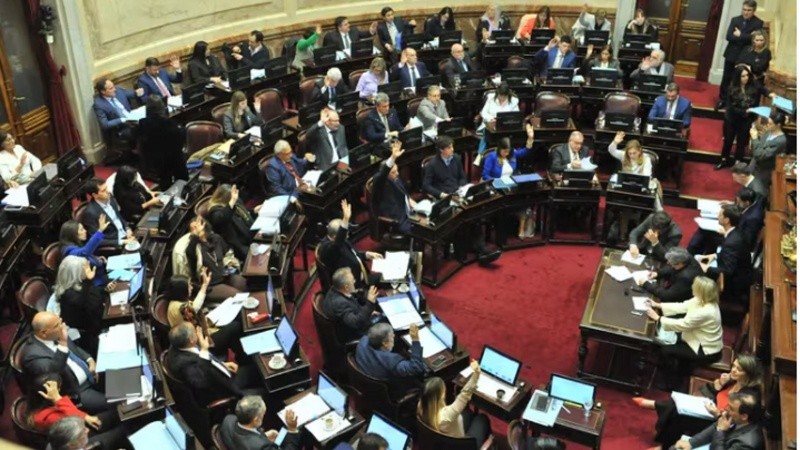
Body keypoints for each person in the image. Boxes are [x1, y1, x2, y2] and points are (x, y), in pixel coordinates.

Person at [634, 354, 763, 448]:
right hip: (709, 407)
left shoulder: (748, 396)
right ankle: (663, 435)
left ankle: (663, 441)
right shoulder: (732, 379)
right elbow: (708, 390)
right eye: (734, 366)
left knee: (679, 416)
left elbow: (729, 419)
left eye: (739, 369)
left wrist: (717, 414)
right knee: (678, 406)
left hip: (712, 417)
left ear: (748, 374)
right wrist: (719, 384)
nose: (733, 370)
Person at [23, 312, 109, 414]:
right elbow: (53, 374)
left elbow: (75, 349)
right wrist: (63, 344)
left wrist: (90, 360)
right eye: (57, 325)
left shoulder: (54, 333)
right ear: (44, 333)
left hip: (93, 375)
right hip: (77, 392)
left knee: (128, 383)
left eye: (60, 321)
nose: (63, 326)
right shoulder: (33, 356)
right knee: (120, 403)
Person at [646, 276, 723, 389]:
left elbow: (684, 325)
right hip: (696, 339)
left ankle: (672, 383)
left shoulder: (707, 311)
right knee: (666, 338)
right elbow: (682, 306)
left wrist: (658, 318)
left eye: (694, 286)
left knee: (666, 351)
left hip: (705, 350)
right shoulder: (701, 299)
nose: (692, 287)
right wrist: (658, 305)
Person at [166, 322, 262, 406]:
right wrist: (204, 349)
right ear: (191, 340)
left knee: (259, 370)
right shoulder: (183, 365)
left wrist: (222, 364)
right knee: (267, 393)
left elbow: (201, 358)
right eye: (195, 331)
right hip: (221, 387)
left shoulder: (178, 343)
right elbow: (203, 382)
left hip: (222, 373)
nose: (197, 331)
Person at [28, 373, 126, 449]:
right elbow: (74, 420)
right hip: (77, 438)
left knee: (119, 413)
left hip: (80, 425)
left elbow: (76, 416)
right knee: (121, 431)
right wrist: (57, 398)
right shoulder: (46, 418)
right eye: (57, 390)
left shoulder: (48, 404)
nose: (59, 392)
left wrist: (58, 399)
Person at [165, 273, 246, 363]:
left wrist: (205, 285)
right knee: (236, 326)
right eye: (188, 286)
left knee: (234, 323)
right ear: (181, 290)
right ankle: (244, 359)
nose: (191, 288)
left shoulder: (175, 303)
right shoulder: (181, 308)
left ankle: (241, 357)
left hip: (199, 333)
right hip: (200, 342)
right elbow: (195, 307)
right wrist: (204, 285)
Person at [418, 360, 491, 447]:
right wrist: (476, 374)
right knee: (482, 419)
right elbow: (465, 394)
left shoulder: (420, 407)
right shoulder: (447, 415)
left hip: (441, 443)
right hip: (461, 446)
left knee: (467, 412)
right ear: (441, 396)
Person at [716, 65, 772, 170]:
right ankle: (723, 159)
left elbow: (762, 89)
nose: (746, 78)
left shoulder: (753, 84)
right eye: (743, 76)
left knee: (741, 142)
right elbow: (731, 108)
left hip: (746, 120)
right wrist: (746, 110)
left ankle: (737, 162)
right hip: (732, 119)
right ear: (738, 77)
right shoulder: (732, 88)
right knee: (728, 140)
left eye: (747, 75)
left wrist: (771, 95)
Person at [697, 204, 754, 307]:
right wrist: (715, 255)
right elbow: (733, 255)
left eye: (720, 215)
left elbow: (728, 270)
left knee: (695, 273)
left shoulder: (731, 242)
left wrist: (707, 268)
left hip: (733, 285)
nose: (718, 216)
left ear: (727, 220)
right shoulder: (736, 233)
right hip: (739, 273)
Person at [318, 200, 383, 289]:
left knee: (391, 278)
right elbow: (338, 244)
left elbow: (353, 253)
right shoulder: (328, 250)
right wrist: (345, 220)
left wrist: (367, 254)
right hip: (354, 287)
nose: (347, 235)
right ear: (334, 236)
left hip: (364, 278)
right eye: (345, 233)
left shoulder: (340, 241)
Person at [185, 215, 248, 303]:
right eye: (193, 229)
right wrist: (196, 235)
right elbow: (189, 252)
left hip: (225, 276)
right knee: (239, 297)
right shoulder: (194, 247)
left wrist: (230, 265)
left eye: (197, 226)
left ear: (204, 225)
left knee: (245, 284)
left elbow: (228, 254)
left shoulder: (216, 238)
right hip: (210, 285)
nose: (196, 229)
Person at [670, 391, 763, 450]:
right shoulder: (737, 419)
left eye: (731, 408)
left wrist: (720, 431)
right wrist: (691, 443)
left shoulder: (747, 444)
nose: (725, 409)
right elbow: (717, 425)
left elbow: (719, 428)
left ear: (744, 416)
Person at [355, 322, 427, 398]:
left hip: (364, 379)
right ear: (384, 343)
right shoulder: (391, 361)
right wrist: (415, 340)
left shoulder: (363, 341)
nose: (394, 336)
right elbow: (416, 367)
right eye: (392, 336)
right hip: (388, 391)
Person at [53, 256, 106, 357]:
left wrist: (104, 289)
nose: (87, 271)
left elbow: (93, 295)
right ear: (76, 274)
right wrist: (89, 280)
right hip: (90, 335)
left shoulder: (75, 286)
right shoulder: (70, 295)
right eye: (84, 270)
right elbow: (90, 303)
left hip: (95, 322)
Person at [688, 188, 764, 256]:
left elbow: (747, 240)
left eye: (739, 202)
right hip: (734, 228)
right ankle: (693, 253)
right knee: (703, 231)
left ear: (747, 203)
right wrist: (731, 204)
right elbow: (742, 207)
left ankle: (692, 254)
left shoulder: (753, 218)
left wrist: (726, 232)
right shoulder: (754, 200)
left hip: (736, 242)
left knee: (706, 234)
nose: (737, 203)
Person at [717, 0, 763, 109]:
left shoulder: (758, 23)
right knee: (726, 78)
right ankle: (722, 99)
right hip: (731, 54)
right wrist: (746, 36)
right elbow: (729, 36)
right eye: (744, 9)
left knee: (739, 80)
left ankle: (734, 101)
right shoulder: (735, 20)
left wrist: (740, 35)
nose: (746, 12)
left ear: (754, 11)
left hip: (745, 56)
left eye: (749, 10)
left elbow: (754, 40)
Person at [137, 94, 188, 188]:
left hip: (156, 157)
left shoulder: (142, 122)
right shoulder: (169, 123)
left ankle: (166, 195)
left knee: (164, 179)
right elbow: (180, 138)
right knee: (182, 177)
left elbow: (142, 139)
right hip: (173, 156)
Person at [220, 396, 301, 450]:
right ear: (255, 420)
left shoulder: (227, 420)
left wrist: (263, 436)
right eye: (263, 414)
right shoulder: (261, 446)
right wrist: (292, 429)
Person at [321, 267, 379, 342]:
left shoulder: (335, 288)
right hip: (356, 333)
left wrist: (368, 311)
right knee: (388, 326)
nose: (355, 281)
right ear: (346, 287)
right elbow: (356, 323)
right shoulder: (340, 303)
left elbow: (353, 307)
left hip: (353, 323)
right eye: (353, 280)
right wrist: (370, 303)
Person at [371, 142, 415, 232]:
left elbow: (405, 194)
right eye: (394, 172)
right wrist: (393, 157)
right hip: (397, 218)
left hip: (408, 211)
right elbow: (383, 173)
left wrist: (415, 205)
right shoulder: (379, 182)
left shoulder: (395, 178)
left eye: (397, 171)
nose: (397, 174)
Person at [81, 178, 136, 248]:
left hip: (126, 235)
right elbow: (96, 240)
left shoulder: (110, 198)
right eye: (103, 190)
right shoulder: (90, 213)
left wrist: (127, 228)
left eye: (106, 188)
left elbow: (119, 216)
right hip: (115, 244)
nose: (108, 191)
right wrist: (122, 242)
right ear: (95, 195)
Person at [207, 184, 256, 261]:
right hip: (240, 246)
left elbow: (242, 213)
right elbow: (223, 218)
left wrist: (254, 211)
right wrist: (232, 201)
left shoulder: (234, 203)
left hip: (252, 236)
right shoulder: (215, 212)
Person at [637, 247, 703, 304]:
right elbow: (672, 268)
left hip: (682, 300)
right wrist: (658, 273)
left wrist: (646, 284)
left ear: (680, 264)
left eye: (671, 263)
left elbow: (667, 296)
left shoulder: (686, 277)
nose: (668, 263)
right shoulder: (685, 256)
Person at [59, 218, 110, 288]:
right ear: (73, 234)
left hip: (100, 275)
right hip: (95, 284)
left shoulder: (74, 244)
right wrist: (100, 231)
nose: (85, 231)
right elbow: (84, 252)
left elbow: (86, 255)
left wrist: (95, 259)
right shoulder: (68, 251)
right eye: (81, 229)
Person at [749, 109, 787, 187]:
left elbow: (760, 155)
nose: (767, 125)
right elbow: (760, 147)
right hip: (754, 166)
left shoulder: (780, 141)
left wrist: (755, 138)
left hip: (764, 172)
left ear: (778, 125)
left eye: (770, 124)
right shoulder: (769, 131)